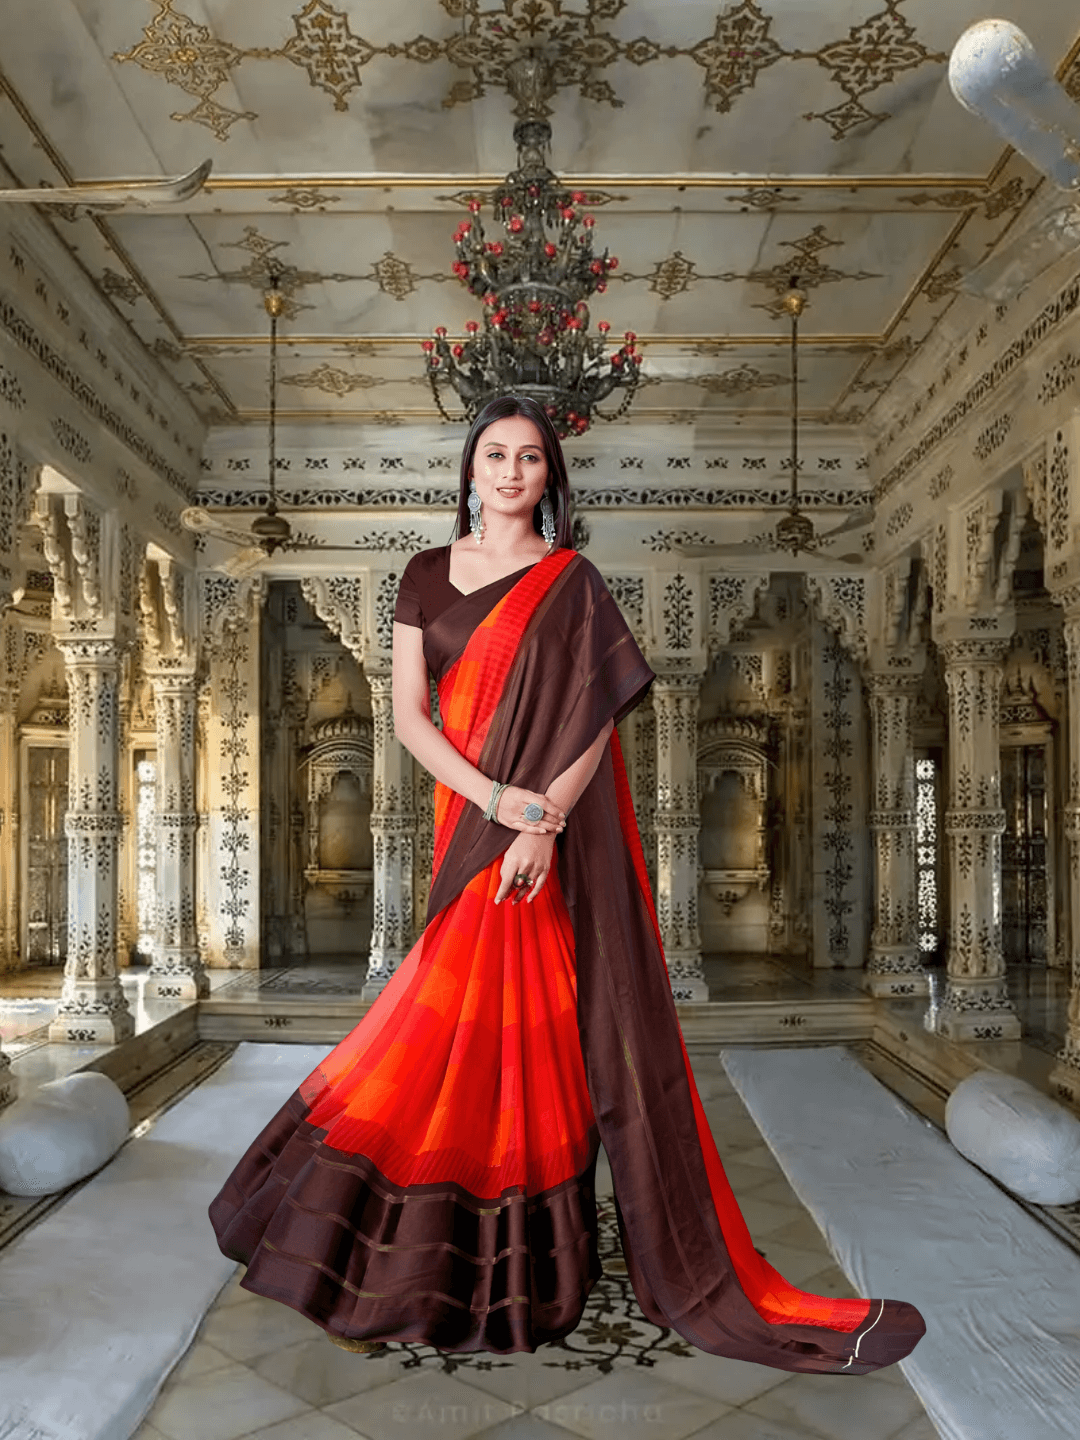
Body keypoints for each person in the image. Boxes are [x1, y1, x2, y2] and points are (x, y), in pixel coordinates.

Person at [209, 395, 925, 1374]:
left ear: (551, 477)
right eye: (495, 454)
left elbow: (593, 722)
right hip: (471, 829)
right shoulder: (426, 575)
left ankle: (528, 1271)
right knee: (435, 1022)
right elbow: (413, 720)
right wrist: (499, 801)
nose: (510, 472)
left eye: (530, 458)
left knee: (537, 1032)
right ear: (469, 469)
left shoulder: (572, 582)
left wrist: (540, 820)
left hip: (537, 839)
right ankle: (394, 1248)